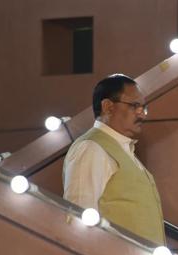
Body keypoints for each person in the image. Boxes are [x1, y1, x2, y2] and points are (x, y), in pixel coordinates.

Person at [63, 73, 165, 245]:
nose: (142, 115)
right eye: (135, 106)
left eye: (144, 108)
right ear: (108, 106)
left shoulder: (124, 149)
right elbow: (77, 217)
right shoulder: (91, 147)